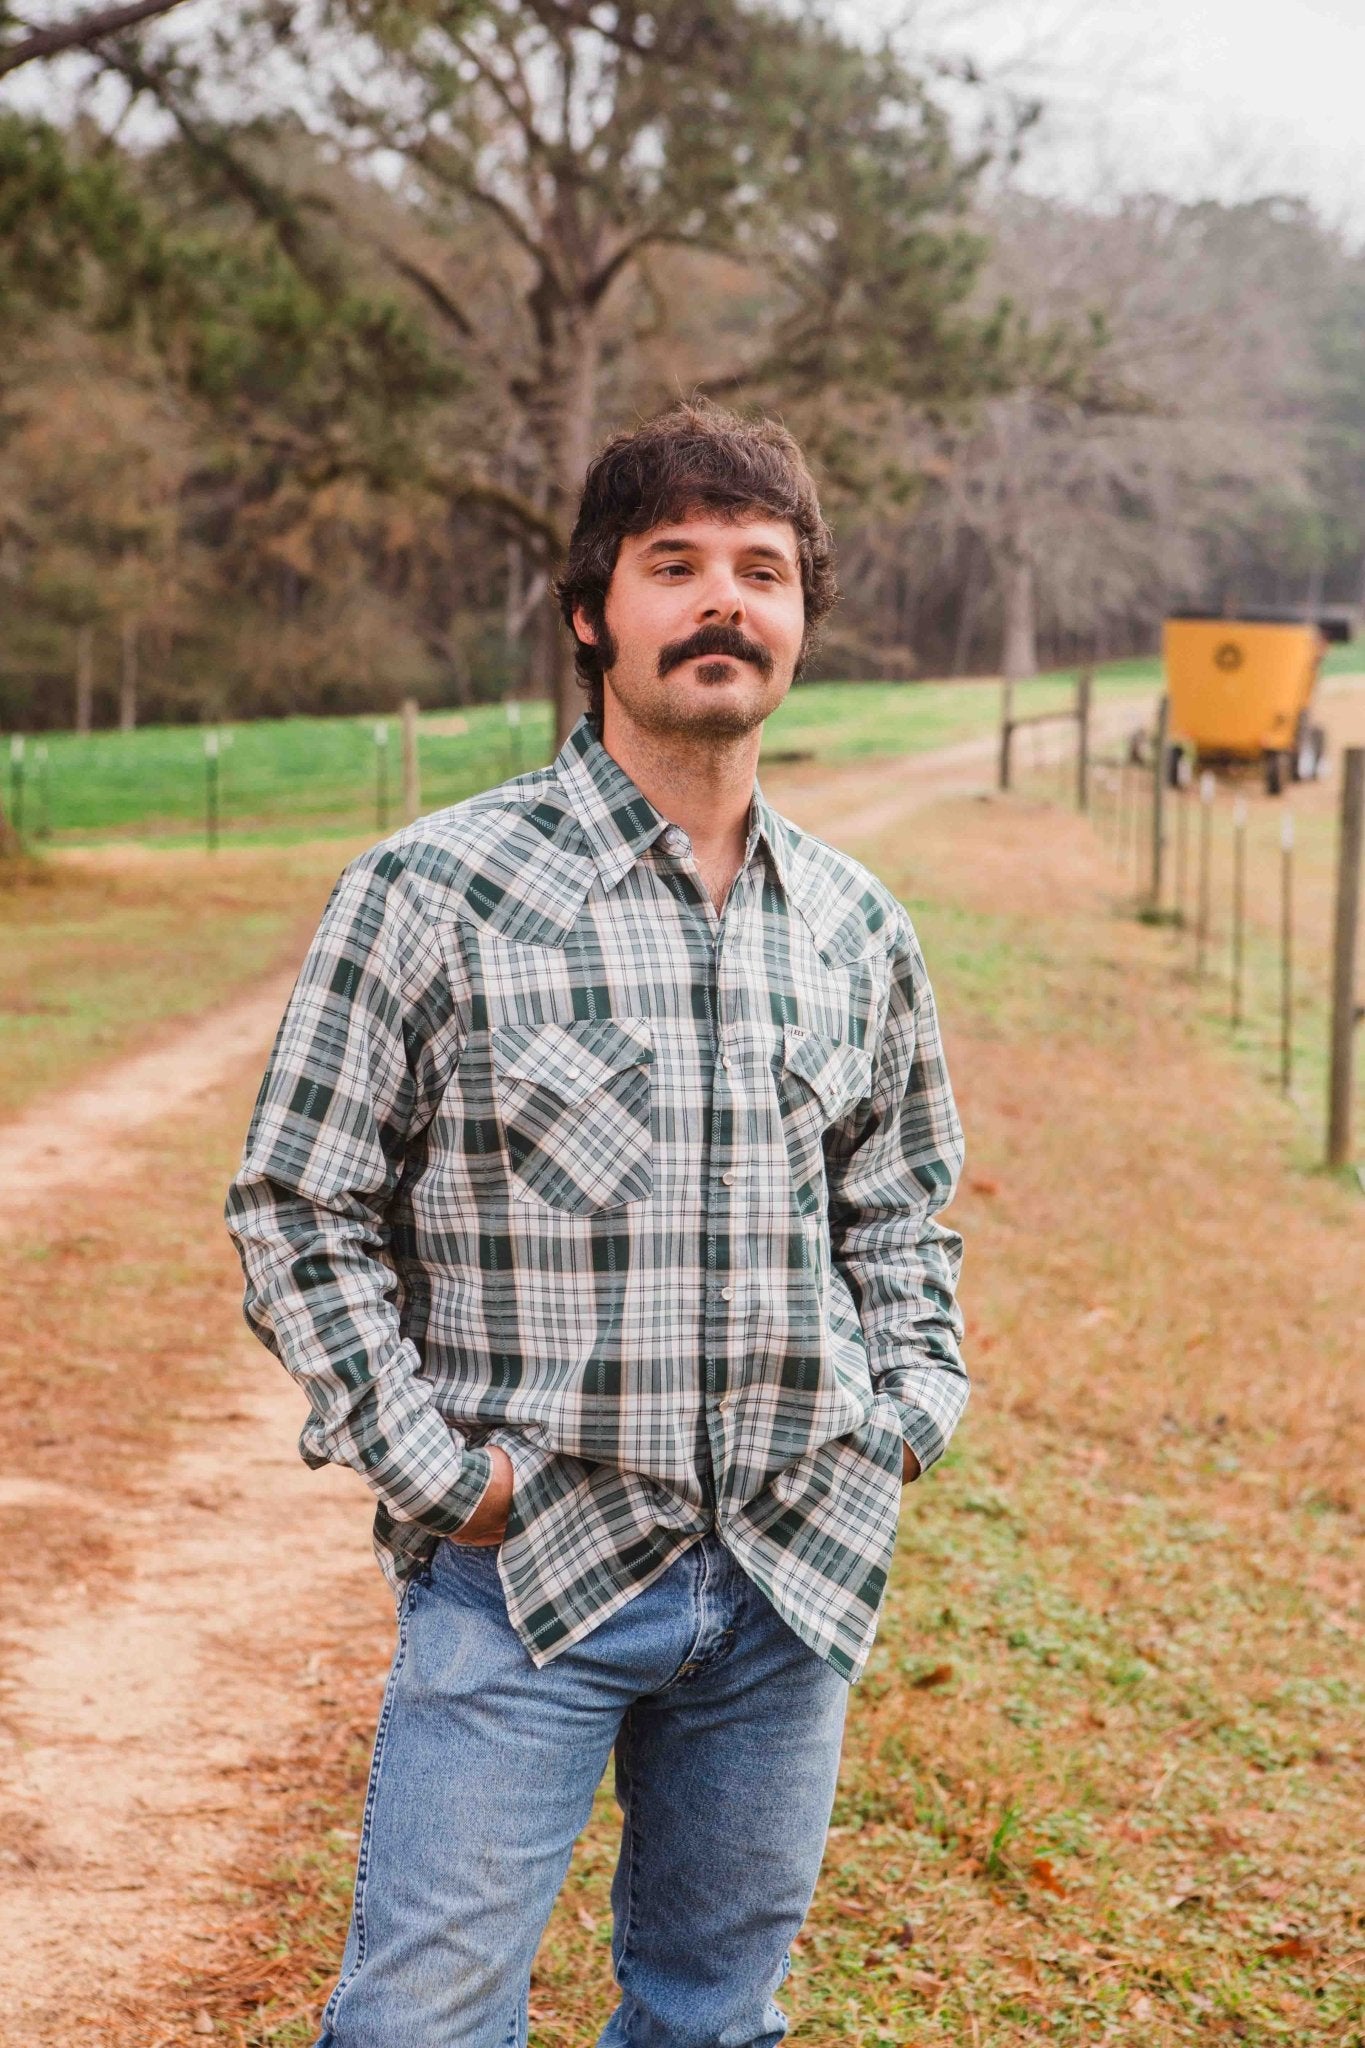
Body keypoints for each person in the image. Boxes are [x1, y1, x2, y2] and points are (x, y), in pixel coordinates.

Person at [225, 400, 968, 2048]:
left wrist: (901, 1416)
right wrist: (442, 1477)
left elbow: (900, 1207)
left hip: (789, 1571)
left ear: (802, 620)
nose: (724, 602)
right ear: (589, 611)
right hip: (524, 1572)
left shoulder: (854, 927)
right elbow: (299, 1202)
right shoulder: (433, 892)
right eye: (674, 564)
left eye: (762, 570)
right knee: (422, 2025)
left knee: (712, 2019)